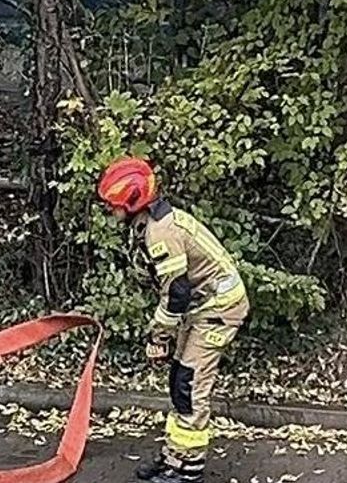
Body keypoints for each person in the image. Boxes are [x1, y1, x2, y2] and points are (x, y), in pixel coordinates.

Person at [98, 157, 248, 483]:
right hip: (201, 309)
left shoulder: (161, 232)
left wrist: (159, 338)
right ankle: (173, 457)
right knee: (179, 380)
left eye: (113, 205)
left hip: (218, 311)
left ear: (132, 201)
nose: (111, 212)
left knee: (190, 385)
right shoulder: (151, 223)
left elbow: (177, 293)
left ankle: (189, 469)